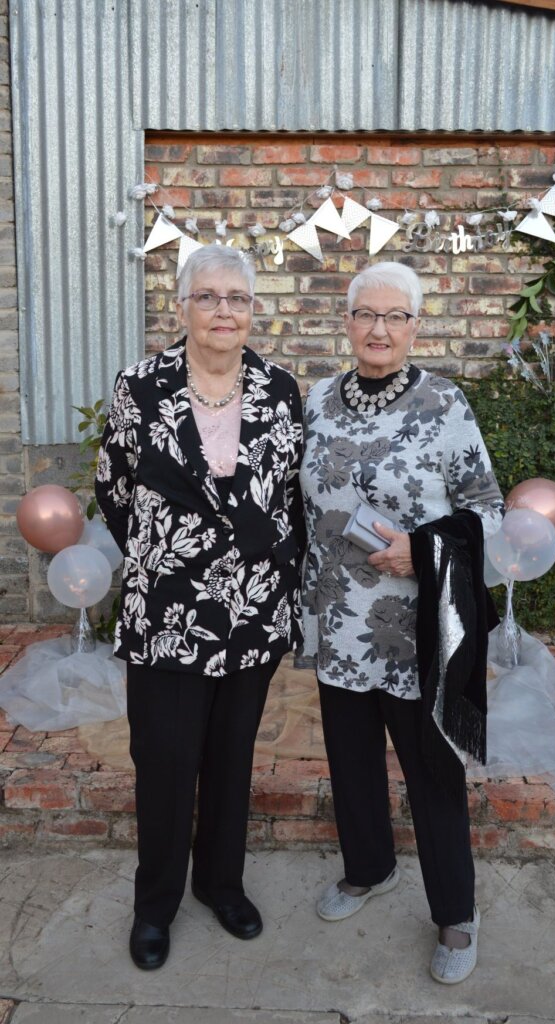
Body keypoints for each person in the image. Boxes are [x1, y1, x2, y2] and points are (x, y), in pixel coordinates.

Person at [95, 245, 305, 970]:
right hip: (167, 616)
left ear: (252, 310)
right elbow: (115, 487)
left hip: (252, 614)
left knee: (229, 760)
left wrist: (264, 573)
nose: (223, 311)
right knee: (164, 762)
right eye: (208, 296)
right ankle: (154, 906)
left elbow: (289, 497)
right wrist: (168, 558)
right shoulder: (141, 386)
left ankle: (221, 885)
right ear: (180, 306)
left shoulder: (280, 388)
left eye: (237, 298)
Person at [300, 261, 504, 985]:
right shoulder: (315, 402)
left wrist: (422, 550)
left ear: (416, 327)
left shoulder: (445, 403)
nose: (379, 329)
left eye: (396, 316)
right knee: (351, 762)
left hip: (419, 630)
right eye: (366, 314)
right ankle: (369, 868)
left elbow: (488, 510)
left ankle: (455, 913)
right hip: (338, 622)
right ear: (348, 321)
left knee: (432, 774)